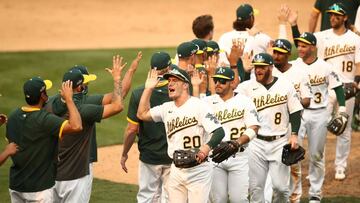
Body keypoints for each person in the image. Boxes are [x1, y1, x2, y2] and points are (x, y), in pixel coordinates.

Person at [288, 2, 360, 181]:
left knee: (344, 128)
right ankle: (315, 167)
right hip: (325, 88)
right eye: (331, 15)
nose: (332, 18)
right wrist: (294, 25)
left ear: (344, 17)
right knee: (316, 127)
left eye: (337, 15)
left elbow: (359, 64)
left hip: (347, 88)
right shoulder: (322, 36)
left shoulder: (355, 39)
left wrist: (357, 83)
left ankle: (340, 166)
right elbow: (301, 43)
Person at [137, 67, 225, 203]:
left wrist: (206, 148)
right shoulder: (166, 108)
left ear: (185, 85)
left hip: (199, 170)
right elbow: (141, 114)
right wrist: (148, 88)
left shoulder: (199, 106)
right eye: (169, 81)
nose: (170, 84)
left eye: (174, 80)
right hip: (176, 170)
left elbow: (219, 132)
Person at [66, 51, 142, 201]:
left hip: (58, 166)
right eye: (85, 81)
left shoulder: (53, 104)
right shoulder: (85, 105)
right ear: (80, 85)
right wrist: (126, 73)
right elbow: (119, 99)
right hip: (79, 166)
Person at [53, 55, 125, 203]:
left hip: (51, 174)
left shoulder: (48, 104)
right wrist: (118, 79)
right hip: (76, 174)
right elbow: (118, 105)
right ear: (80, 87)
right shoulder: (83, 109)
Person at [235, 53, 303, 203]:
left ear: (271, 67)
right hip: (256, 143)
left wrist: (294, 134)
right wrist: (245, 73)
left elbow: (295, 111)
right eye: (256, 67)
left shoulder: (285, 85)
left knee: (281, 188)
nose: (258, 70)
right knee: (256, 188)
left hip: (279, 141)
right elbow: (233, 97)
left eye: (262, 67)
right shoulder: (247, 86)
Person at [6, 77, 83, 202]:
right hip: (39, 189)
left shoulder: (13, 117)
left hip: (17, 185)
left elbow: (12, 143)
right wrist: (69, 99)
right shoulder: (45, 119)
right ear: (42, 95)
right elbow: (77, 126)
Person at [292, 32, 345, 203]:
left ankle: (315, 194)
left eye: (304, 46)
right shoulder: (293, 66)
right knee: (293, 154)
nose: (299, 48)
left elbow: (338, 88)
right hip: (298, 114)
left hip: (319, 114)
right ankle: (295, 194)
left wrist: (342, 110)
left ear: (313, 47)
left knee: (316, 155)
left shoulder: (326, 67)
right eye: (298, 45)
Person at [121, 52, 173, 203]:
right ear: (169, 68)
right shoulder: (178, 92)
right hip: (172, 156)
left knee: (146, 197)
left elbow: (131, 130)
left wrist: (124, 153)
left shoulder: (139, 94)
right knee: (170, 198)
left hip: (149, 157)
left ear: (151, 69)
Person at [203, 67, 259, 203]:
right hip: (215, 157)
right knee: (218, 200)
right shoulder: (206, 103)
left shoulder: (244, 101)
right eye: (216, 80)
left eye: (222, 81)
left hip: (239, 156)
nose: (217, 84)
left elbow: (254, 127)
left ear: (232, 83)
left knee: (239, 199)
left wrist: (237, 143)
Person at [270, 38, 313, 203]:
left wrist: (288, 104)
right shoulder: (268, 72)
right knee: (273, 164)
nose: (276, 56)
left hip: (293, 125)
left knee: (293, 164)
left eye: (280, 53)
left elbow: (307, 100)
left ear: (288, 54)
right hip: (272, 127)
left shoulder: (299, 73)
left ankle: (295, 199)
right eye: (274, 52)